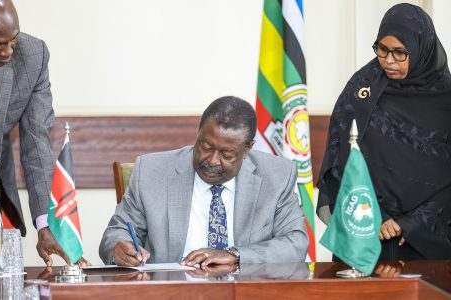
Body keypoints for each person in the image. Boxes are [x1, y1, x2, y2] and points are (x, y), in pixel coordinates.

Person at [99, 96, 308, 267]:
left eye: (226, 154)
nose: (212, 160)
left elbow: (295, 243)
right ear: (198, 132)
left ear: (247, 150)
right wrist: (119, 246)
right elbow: (117, 232)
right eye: (206, 147)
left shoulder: (277, 175)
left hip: (245, 292)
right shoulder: (152, 171)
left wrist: (235, 255)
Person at [317, 3, 451, 261]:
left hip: (428, 243)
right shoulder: (361, 90)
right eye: (382, 49)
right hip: (366, 228)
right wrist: (376, 215)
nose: (388, 60)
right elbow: (340, 159)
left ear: (421, 50)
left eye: (400, 52)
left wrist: (411, 224)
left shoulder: (445, 100)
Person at [0, 0, 88, 267]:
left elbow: (37, 142)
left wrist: (45, 223)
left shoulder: (32, 56)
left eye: (12, 39)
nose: (8, 51)